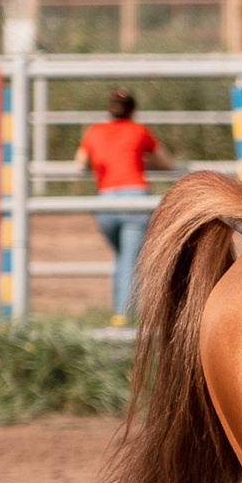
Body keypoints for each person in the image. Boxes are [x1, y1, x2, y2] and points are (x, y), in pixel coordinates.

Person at [77, 88, 162, 325]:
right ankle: (123, 317)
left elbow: (80, 162)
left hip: (105, 201)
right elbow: (165, 162)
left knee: (122, 257)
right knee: (130, 260)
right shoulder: (139, 131)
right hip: (135, 200)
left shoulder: (94, 131)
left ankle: (118, 312)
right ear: (132, 111)